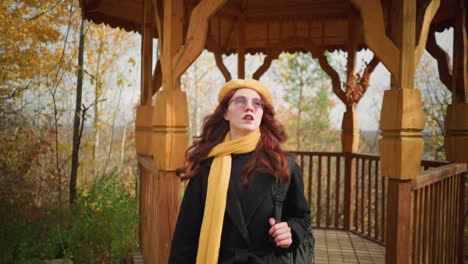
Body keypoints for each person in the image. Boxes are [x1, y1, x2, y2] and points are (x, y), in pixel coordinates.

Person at [169, 79, 311, 264]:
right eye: (240, 101)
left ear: (262, 114)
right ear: (226, 113)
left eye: (256, 103)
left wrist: (291, 231)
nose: (249, 107)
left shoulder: (283, 164)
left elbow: (302, 217)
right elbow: (186, 237)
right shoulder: (206, 167)